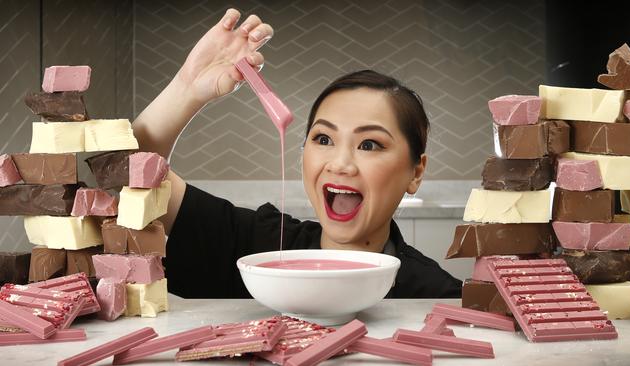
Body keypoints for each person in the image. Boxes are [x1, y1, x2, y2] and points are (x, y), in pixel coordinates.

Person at [132, 8, 462, 299]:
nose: (340, 164)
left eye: (369, 144)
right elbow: (126, 176)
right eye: (323, 139)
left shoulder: (437, 296)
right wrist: (187, 88)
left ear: (416, 172)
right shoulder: (257, 248)